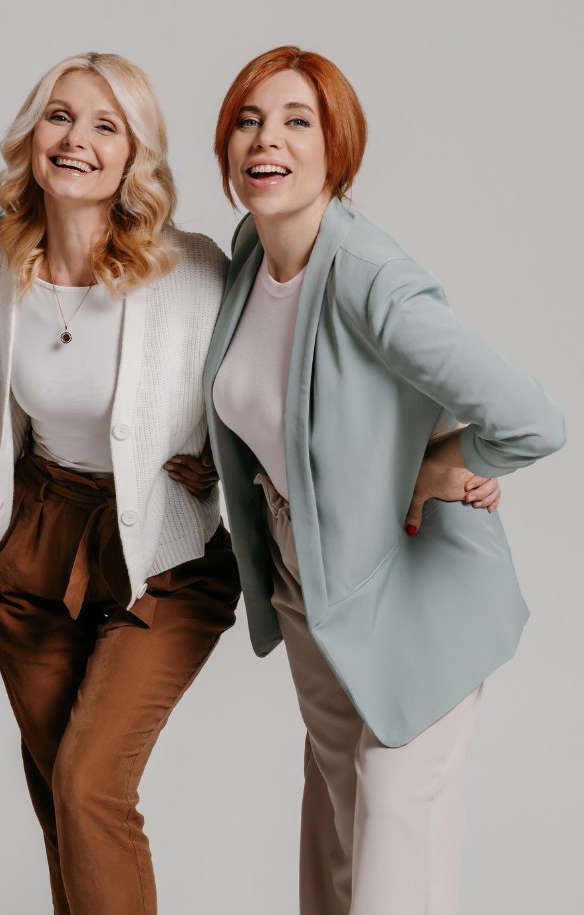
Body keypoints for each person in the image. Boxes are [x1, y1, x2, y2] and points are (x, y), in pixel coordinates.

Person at [204, 45, 565, 915]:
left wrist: (446, 463)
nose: (268, 138)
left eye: (299, 121)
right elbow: (265, 402)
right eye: (250, 118)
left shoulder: (373, 281)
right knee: (342, 830)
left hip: (414, 585)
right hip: (314, 586)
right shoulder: (254, 249)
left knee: (395, 838)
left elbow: (533, 420)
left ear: (339, 149)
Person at [0, 52, 241, 914]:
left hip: (162, 556)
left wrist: (222, 468)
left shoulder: (193, 272)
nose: (76, 139)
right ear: (32, 138)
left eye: (105, 125)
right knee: (59, 803)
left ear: (133, 158)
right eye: (59, 117)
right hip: (34, 554)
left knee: (88, 785)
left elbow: (262, 392)